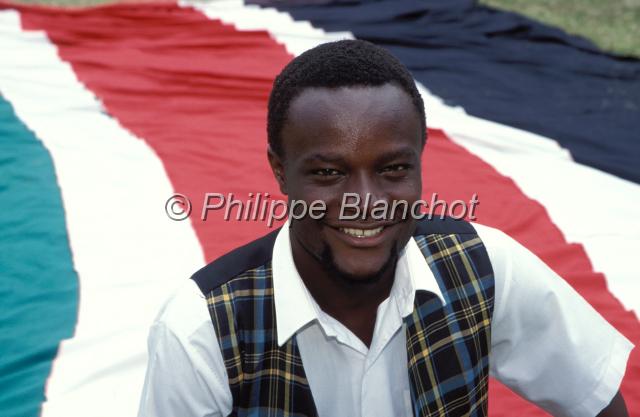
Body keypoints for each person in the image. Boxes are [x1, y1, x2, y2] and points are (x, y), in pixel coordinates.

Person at [138, 40, 633, 417]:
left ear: (420, 163)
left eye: (393, 169)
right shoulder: (200, 330)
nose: (366, 202)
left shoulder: (485, 266)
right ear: (280, 171)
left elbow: (596, 399)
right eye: (328, 173)